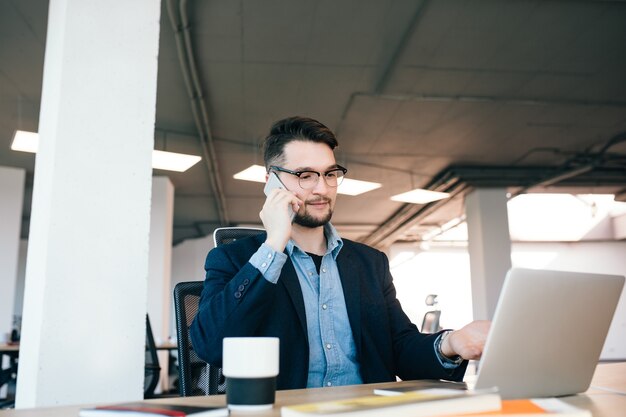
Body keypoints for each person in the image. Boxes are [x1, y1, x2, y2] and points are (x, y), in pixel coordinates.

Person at [190, 116, 490, 390]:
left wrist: (452, 342)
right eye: (305, 175)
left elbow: (400, 348)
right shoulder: (236, 259)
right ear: (271, 182)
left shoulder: (370, 264)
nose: (322, 188)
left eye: (330, 173)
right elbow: (212, 345)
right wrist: (274, 244)